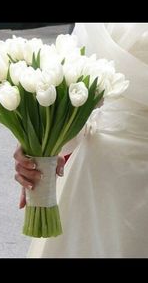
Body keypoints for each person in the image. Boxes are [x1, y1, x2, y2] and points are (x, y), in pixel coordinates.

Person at [14, 23, 148, 258]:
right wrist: (42, 154)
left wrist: (45, 151)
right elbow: (76, 85)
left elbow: (76, 86)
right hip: (99, 172)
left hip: (99, 170)